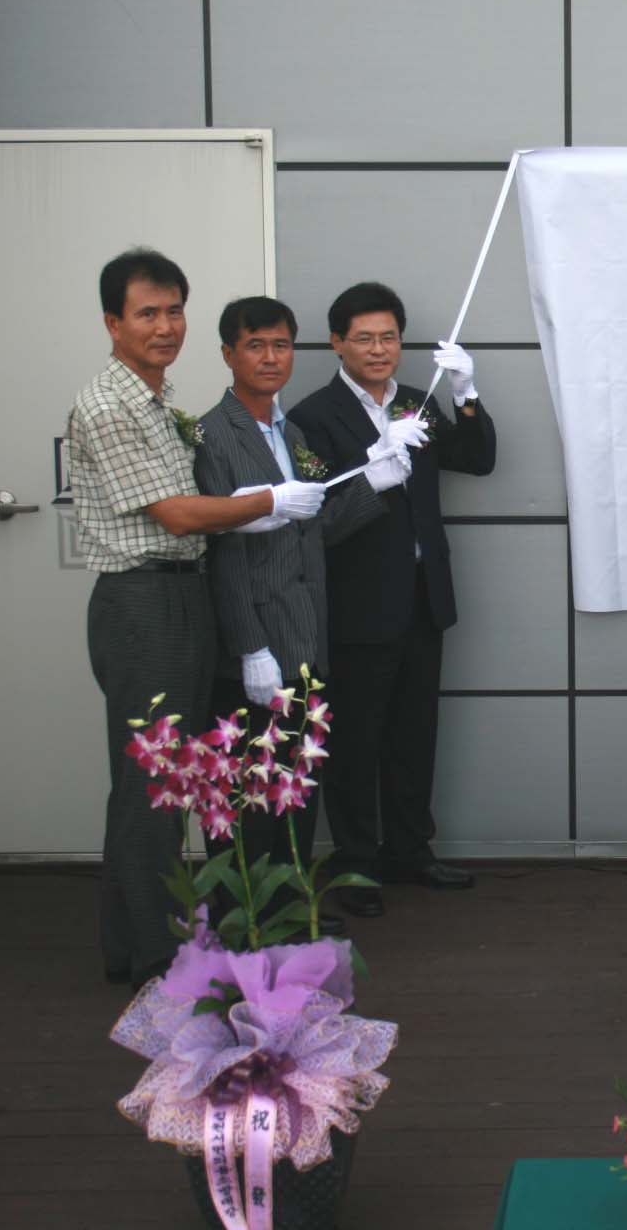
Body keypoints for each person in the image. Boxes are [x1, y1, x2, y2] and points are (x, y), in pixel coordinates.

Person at [67, 249, 327, 989]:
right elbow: (178, 516)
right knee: (150, 781)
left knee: (171, 775)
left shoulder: (157, 400)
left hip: (183, 594)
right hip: (142, 601)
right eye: (146, 313)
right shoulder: (109, 404)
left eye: (174, 310)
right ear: (112, 322)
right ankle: (152, 955)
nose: (164, 326)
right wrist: (268, 501)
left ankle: (141, 944)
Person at [192, 295, 421, 923]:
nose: (271, 358)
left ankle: (291, 912)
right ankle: (244, 922)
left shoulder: (289, 433)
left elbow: (311, 532)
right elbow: (223, 550)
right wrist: (249, 646)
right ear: (228, 354)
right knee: (249, 793)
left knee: (294, 787)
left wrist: (372, 481)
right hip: (258, 643)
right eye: (255, 346)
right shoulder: (214, 435)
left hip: (306, 639)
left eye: (281, 345)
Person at [289, 282, 496, 905]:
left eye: (389, 337)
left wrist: (465, 393)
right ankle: (355, 864)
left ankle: (410, 851)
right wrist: (374, 476)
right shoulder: (311, 417)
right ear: (337, 343)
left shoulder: (417, 403)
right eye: (364, 338)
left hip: (423, 598)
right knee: (354, 741)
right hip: (356, 605)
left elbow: (478, 459)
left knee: (414, 735)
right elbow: (315, 524)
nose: (379, 349)